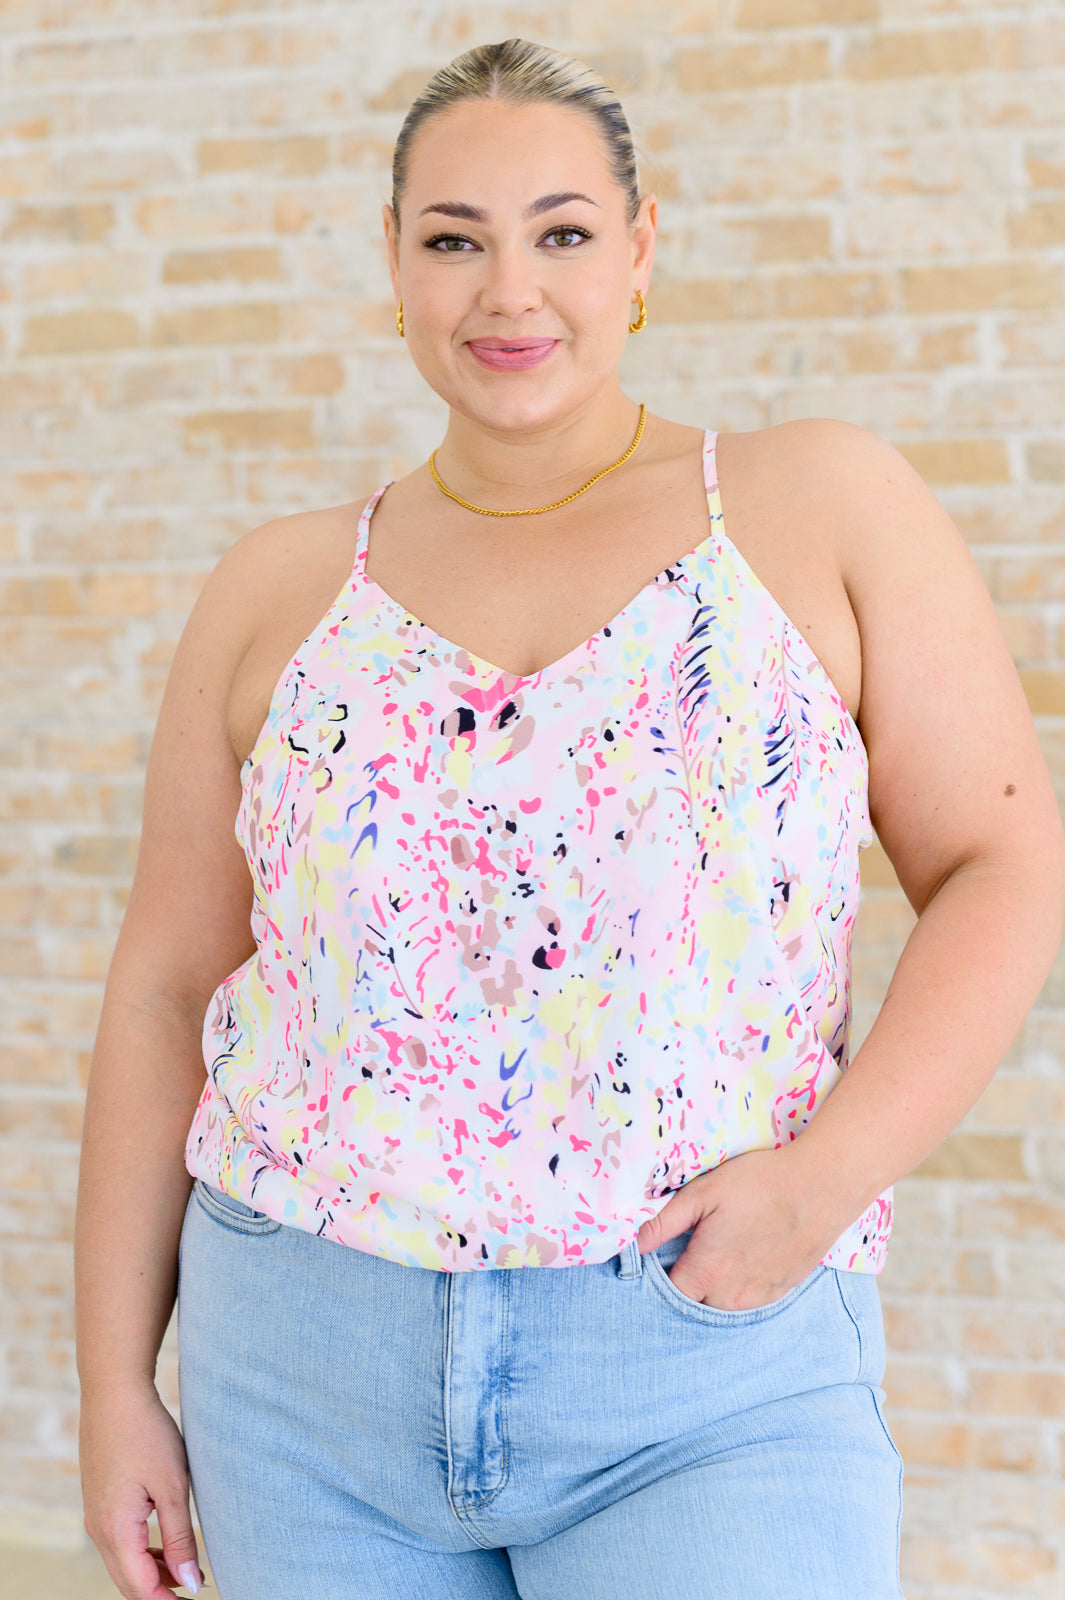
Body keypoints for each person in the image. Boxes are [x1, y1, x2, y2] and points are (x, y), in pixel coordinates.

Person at [74, 35, 1064, 1600]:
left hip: (706, 1367)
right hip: (298, 1375)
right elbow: (162, 986)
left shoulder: (816, 509)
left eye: (562, 232)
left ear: (640, 250)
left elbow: (1002, 865)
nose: (507, 291)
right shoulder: (277, 591)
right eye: (452, 240)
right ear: (393, 266)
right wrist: (112, 1383)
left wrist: (825, 1180)